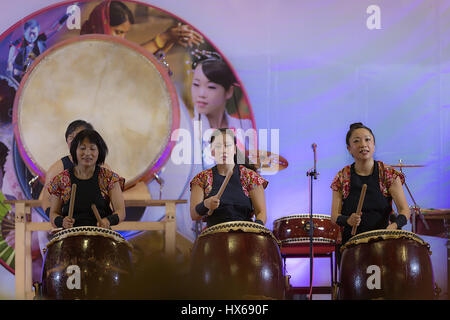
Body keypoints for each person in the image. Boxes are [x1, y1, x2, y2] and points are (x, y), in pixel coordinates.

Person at [330, 122, 410, 247]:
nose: (363, 144)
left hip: (384, 240)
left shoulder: (387, 173)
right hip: (353, 243)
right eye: (356, 141)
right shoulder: (342, 177)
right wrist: (348, 220)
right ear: (349, 149)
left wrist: (393, 226)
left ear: (373, 145)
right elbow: (334, 216)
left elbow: (405, 210)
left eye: (368, 140)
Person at [190, 128, 267, 228]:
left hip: (245, 234)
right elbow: (194, 215)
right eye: (218, 146)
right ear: (212, 151)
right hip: (213, 235)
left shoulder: (250, 176)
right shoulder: (201, 179)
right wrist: (205, 204)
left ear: (234, 149)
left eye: (227, 145)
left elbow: (261, 213)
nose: (223, 150)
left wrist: (255, 228)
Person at [48, 129, 125, 229]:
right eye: (82, 148)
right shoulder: (61, 179)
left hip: (101, 235)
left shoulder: (109, 178)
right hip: (70, 237)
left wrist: (107, 221)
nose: (87, 153)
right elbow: (53, 213)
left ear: (99, 151)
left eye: (92, 149)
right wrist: (62, 221)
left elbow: (121, 212)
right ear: (74, 151)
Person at [190, 53, 253, 168]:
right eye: (196, 84)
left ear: (229, 92)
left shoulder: (246, 128)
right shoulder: (186, 132)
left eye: (211, 87)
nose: (201, 94)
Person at [80, 1, 203, 55]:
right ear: (102, 24)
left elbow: (141, 63)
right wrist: (165, 37)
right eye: (118, 32)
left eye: (124, 33)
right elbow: (127, 61)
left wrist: (171, 39)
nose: (122, 38)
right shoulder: (84, 51)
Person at [41, 120, 96, 217]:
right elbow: (46, 201)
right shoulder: (56, 169)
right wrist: (57, 219)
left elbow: (111, 201)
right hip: (67, 227)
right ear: (67, 141)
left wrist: (107, 219)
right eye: (71, 137)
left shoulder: (102, 168)